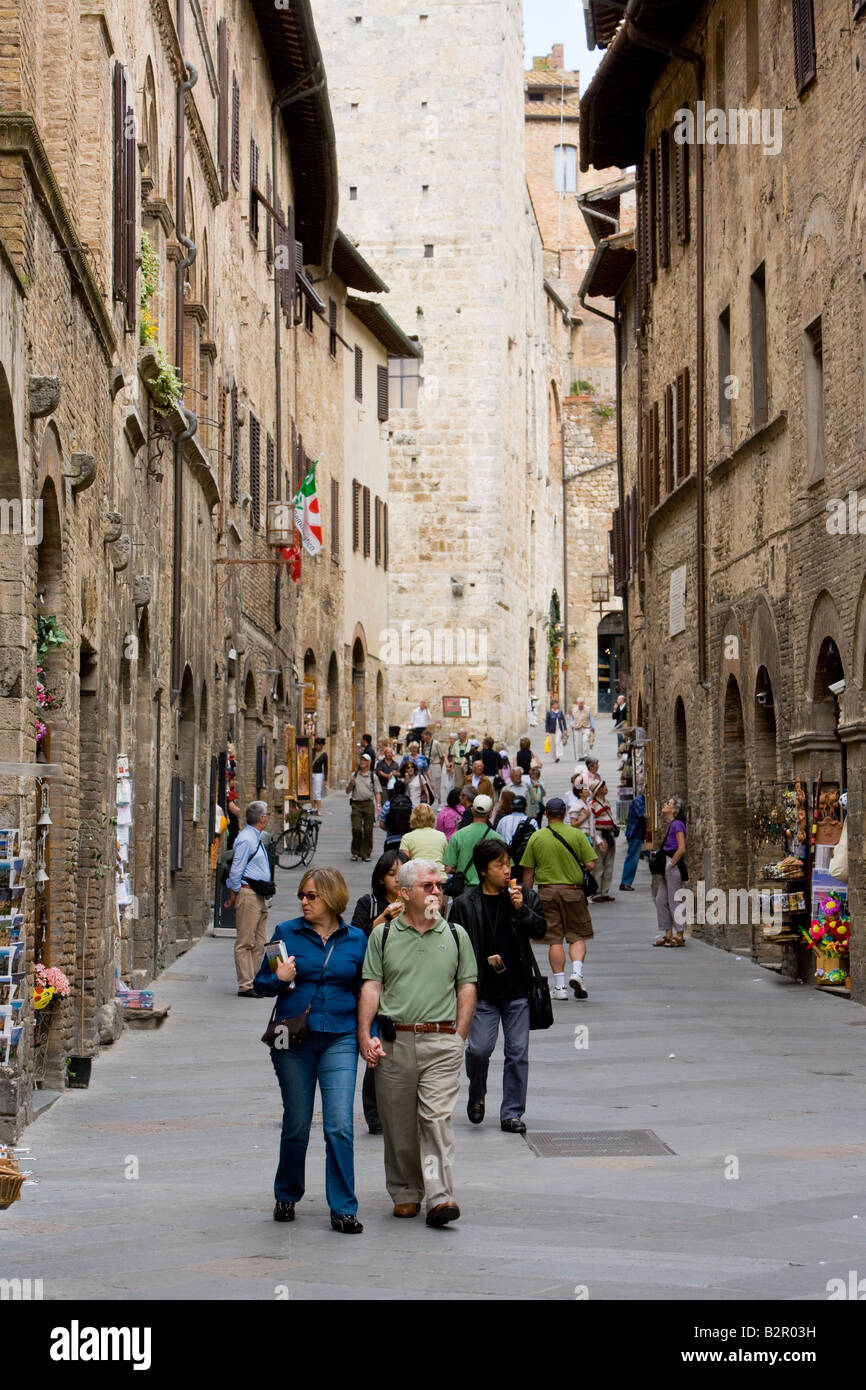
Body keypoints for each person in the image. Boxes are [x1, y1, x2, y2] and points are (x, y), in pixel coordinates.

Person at [359, 859, 477, 1226]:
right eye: (428, 886)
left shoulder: (457, 935)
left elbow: (466, 985)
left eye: (439, 885)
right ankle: (406, 1191)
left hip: (441, 1042)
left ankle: (440, 1195)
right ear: (404, 893)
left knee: (435, 1118)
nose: (437, 891)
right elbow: (372, 985)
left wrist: (459, 1034)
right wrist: (366, 1034)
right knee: (398, 1125)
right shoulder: (383, 935)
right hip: (396, 1042)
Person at [254, 867, 367, 1234]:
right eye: (302, 895)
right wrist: (279, 978)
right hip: (292, 1038)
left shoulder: (355, 939)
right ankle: (286, 1193)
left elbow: (369, 990)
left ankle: (344, 1208)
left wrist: (372, 1033)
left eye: (311, 896)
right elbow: (260, 985)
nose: (303, 901)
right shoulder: (286, 934)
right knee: (298, 1122)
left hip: (341, 1035)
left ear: (332, 899)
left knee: (339, 1124)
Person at [450, 839, 546, 1133]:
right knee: (479, 1049)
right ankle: (477, 1092)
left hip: (518, 989)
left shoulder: (524, 896)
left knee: (518, 1052)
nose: (507, 870)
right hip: (482, 990)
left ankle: (512, 1112)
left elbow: (541, 930)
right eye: (499, 865)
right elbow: (453, 944)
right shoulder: (465, 904)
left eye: (508, 863)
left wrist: (521, 910)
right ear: (482, 870)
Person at [351, 851, 408, 1135]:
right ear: (381, 878)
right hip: (375, 980)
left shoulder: (416, 904)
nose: (397, 879)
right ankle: (374, 1114)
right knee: (375, 1044)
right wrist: (384, 917)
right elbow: (355, 938)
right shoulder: (369, 903)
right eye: (391, 874)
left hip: (405, 983)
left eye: (402, 873)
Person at [520, 797, 597, 1001]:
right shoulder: (576, 835)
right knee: (577, 935)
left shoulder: (537, 838)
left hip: (547, 892)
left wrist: (527, 896)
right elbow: (590, 864)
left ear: (546, 814)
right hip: (573, 891)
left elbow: (528, 871)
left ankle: (560, 987)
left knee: (554, 939)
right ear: (563, 814)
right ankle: (577, 973)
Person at [224, 800, 274, 998]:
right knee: (245, 941)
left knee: (260, 941)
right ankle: (245, 984)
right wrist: (234, 893)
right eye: (267, 814)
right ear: (262, 818)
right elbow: (236, 869)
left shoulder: (256, 837)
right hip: (248, 894)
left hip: (259, 894)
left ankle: (255, 979)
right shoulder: (246, 839)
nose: (268, 817)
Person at [443, 794, 506, 891]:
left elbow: (448, 868)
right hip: (489, 890)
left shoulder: (458, 836)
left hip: (464, 890)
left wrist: (461, 870)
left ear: (472, 810)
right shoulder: (498, 839)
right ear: (490, 813)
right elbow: (505, 868)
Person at [653, 796, 688, 947]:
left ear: (674, 809)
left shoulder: (678, 825)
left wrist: (671, 863)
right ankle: (668, 933)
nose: (665, 804)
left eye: (668, 803)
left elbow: (682, 848)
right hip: (667, 863)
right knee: (661, 899)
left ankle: (679, 934)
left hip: (672, 863)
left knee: (674, 900)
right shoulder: (671, 824)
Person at [583, 757, 617, 903]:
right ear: (598, 791)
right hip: (601, 835)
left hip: (609, 834)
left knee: (609, 864)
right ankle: (596, 891)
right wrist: (597, 839)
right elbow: (593, 823)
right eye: (603, 786)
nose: (605, 788)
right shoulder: (594, 805)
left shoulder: (606, 802)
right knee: (599, 865)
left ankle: (605, 891)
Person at [346, 751, 381, 862]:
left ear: (369, 763)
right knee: (356, 829)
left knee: (368, 830)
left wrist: (378, 805)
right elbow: (347, 791)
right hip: (356, 804)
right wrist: (351, 785)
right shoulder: (354, 775)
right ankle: (355, 851)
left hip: (368, 804)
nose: (362, 762)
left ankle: (365, 853)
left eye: (365, 760)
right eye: (361, 760)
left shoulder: (373, 776)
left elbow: (377, 792)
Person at [620, 792, 647, 891]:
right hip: (636, 834)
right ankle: (625, 883)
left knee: (651, 857)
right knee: (632, 859)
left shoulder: (643, 800)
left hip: (641, 833)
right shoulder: (638, 801)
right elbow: (643, 815)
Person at [383, 779, 413, 851]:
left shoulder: (388, 804)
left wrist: (390, 828)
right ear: (405, 790)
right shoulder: (411, 805)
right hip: (407, 841)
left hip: (391, 840)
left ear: (394, 790)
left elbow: (382, 824)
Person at [420, 727, 445, 802]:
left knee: (436, 785)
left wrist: (440, 767)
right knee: (428, 784)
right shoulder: (424, 744)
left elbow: (442, 757)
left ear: (428, 736)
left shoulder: (436, 744)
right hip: (427, 766)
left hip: (435, 764)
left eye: (423, 737)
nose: (422, 738)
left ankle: (439, 802)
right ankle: (430, 800)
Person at [311, 738, 328, 815]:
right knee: (312, 792)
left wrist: (325, 779)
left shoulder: (324, 754)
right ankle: (313, 808)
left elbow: (326, 767)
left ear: (321, 745)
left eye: (318, 745)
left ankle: (319, 809)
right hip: (311, 773)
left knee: (317, 792)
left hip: (318, 774)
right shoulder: (312, 751)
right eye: (315, 744)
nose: (316, 746)